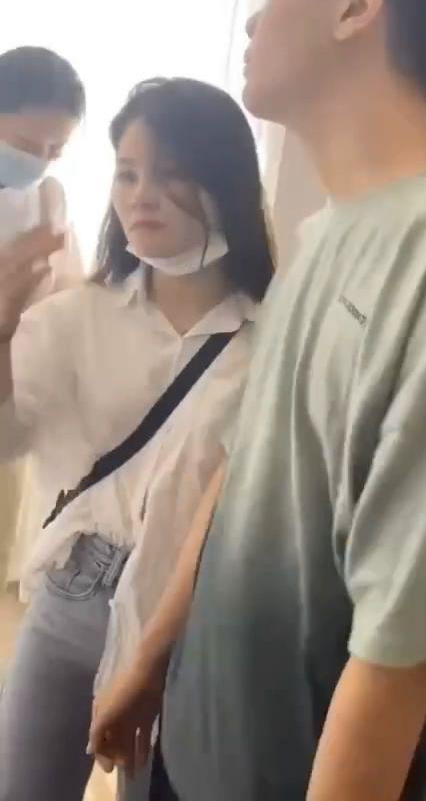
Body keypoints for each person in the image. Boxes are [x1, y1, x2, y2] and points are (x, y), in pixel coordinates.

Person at [90, 0, 426, 800]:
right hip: (190, 742)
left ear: (356, 4)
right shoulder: (325, 233)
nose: (253, 18)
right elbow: (243, 474)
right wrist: (152, 656)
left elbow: (405, 638)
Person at [0, 77, 274, 801]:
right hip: (73, 592)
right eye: (126, 173)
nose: (141, 195)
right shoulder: (74, 318)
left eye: (171, 173)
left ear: (226, 185)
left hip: (194, 617)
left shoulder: (276, 338)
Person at [0, 46, 85, 589]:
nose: (42, 162)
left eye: (56, 149)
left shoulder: (48, 198)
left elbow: (69, 289)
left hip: (13, 397)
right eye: (27, 145)